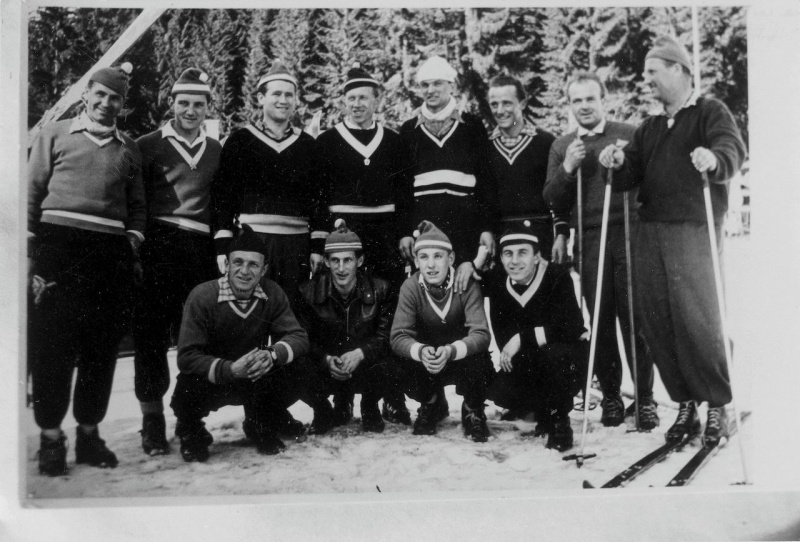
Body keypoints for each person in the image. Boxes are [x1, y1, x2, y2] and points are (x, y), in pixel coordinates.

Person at [598, 36, 746, 444]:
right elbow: (630, 174)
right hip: (651, 231)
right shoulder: (649, 127)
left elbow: (732, 148)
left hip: (694, 230)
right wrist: (617, 161)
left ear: (678, 69)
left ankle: (716, 404)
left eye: (653, 71)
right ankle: (685, 403)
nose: (646, 80)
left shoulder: (708, 112)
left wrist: (714, 159)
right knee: (657, 321)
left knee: (699, 319)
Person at [28, 63, 145, 475]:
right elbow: (31, 192)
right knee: (53, 347)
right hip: (58, 248)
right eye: (100, 94)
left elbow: (137, 207)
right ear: (86, 94)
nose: (106, 103)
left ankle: (89, 435)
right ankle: (50, 439)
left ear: (122, 105)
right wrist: (32, 250)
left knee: (101, 348)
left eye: (115, 98)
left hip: (107, 254)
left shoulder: (129, 148)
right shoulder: (54, 133)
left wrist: (130, 243)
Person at [544, 71, 658, 429]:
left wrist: (623, 162)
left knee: (635, 319)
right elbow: (552, 199)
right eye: (577, 100)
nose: (584, 106)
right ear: (569, 104)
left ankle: (644, 399)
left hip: (629, 233)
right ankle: (611, 396)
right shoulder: (564, 145)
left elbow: (649, 179)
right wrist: (568, 167)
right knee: (601, 319)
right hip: (590, 237)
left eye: (590, 98)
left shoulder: (628, 134)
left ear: (602, 99)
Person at [132, 68, 222, 456]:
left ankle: (189, 419)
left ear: (207, 107)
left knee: (195, 339)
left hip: (199, 251)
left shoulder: (217, 149)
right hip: (158, 246)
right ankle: (152, 421)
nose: (190, 110)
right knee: (150, 336)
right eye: (183, 103)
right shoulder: (147, 145)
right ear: (171, 104)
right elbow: (135, 201)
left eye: (198, 104)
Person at [315, 63, 411, 426]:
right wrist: (327, 231)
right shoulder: (327, 141)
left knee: (387, 312)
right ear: (343, 101)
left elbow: (405, 194)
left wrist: (404, 232)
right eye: (351, 98)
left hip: (385, 235)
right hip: (344, 234)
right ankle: (342, 396)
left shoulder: (394, 141)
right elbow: (317, 195)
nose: (357, 104)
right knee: (345, 312)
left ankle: (389, 396)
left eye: (364, 98)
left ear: (376, 100)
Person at [169, 225, 311, 461]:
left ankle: (261, 421)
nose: (245, 271)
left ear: (264, 269)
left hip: (255, 376)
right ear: (226, 264)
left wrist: (271, 355)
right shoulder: (203, 295)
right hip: (217, 379)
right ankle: (190, 428)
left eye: (253, 264)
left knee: (299, 365)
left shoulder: (272, 292)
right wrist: (231, 369)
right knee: (187, 385)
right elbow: (187, 356)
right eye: (238, 262)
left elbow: (298, 337)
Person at [210, 60, 324, 298]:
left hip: (296, 245)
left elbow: (319, 201)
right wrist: (223, 247)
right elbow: (223, 198)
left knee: (291, 308)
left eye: (289, 95)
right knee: (251, 308)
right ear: (261, 98)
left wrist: (317, 247)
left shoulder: (308, 146)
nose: (283, 100)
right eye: (276, 94)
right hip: (251, 241)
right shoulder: (240, 141)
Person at [481, 222, 588, 451]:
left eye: (522, 253)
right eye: (508, 254)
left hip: (565, 358)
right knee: (500, 389)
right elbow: (471, 279)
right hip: (530, 358)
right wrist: (471, 265)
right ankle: (539, 408)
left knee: (555, 356)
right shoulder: (499, 280)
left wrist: (523, 337)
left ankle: (559, 420)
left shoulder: (556, 276)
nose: (514, 261)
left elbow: (573, 327)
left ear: (537, 257)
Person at [397, 56, 499, 294]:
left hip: (465, 228)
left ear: (451, 86)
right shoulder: (409, 130)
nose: (430, 90)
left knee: (464, 293)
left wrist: (486, 227)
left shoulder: (472, 126)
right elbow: (401, 188)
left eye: (437, 83)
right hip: (425, 229)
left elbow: (486, 183)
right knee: (427, 297)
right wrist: (404, 232)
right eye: (425, 85)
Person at [295, 220, 407, 434]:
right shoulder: (308, 292)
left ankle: (369, 404)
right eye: (335, 260)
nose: (341, 268)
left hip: (364, 366)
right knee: (296, 361)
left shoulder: (381, 289)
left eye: (348, 260)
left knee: (395, 355)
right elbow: (303, 339)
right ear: (326, 261)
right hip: (329, 368)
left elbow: (386, 336)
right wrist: (326, 359)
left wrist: (360, 354)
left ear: (360, 260)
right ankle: (322, 409)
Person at [390, 221, 495, 442]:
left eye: (438, 256)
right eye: (424, 257)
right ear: (416, 261)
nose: (431, 265)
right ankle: (431, 403)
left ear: (451, 258)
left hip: (458, 357)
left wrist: (451, 351)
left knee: (481, 360)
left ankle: (472, 407)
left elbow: (481, 334)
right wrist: (421, 351)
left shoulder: (465, 283)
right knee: (402, 361)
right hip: (430, 359)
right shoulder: (410, 286)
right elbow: (398, 336)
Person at [486, 74, 567, 262]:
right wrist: (486, 230)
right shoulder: (484, 147)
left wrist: (562, 234)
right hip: (501, 239)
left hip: (540, 236)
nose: (500, 111)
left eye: (507, 103)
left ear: (522, 103)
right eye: (494, 104)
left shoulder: (546, 142)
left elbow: (559, 194)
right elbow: (483, 198)